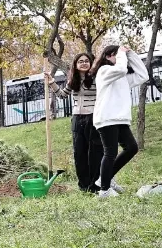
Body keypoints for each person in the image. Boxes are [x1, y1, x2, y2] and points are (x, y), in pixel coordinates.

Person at [91, 45, 148, 198]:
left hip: (120, 119)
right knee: (110, 152)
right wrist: (122, 54)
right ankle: (104, 190)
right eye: (118, 55)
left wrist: (131, 54)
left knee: (132, 148)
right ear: (109, 56)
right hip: (107, 118)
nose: (122, 58)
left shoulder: (122, 78)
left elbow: (143, 76)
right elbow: (121, 69)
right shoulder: (104, 71)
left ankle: (105, 179)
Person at [45, 53, 103, 194]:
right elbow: (62, 95)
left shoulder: (97, 78)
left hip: (93, 118)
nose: (84, 63)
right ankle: (84, 186)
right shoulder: (73, 81)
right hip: (77, 119)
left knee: (95, 153)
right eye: (80, 61)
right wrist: (52, 82)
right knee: (79, 153)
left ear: (91, 63)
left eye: (86, 61)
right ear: (76, 65)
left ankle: (95, 185)